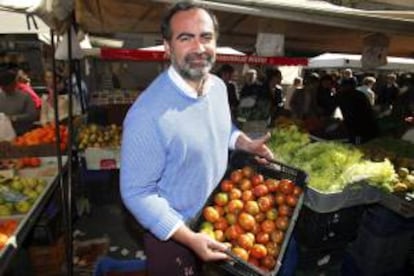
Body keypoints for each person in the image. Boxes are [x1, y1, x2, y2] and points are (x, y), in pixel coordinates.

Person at [120, 2, 273, 275]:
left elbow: (221, 127)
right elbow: (136, 192)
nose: (199, 48)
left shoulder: (217, 87)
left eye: (206, 37)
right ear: (167, 47)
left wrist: (243, 142)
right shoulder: (147, 114)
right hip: (174, 233)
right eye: (185, 38)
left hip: (219, 212)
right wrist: (189, 238)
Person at [334, 78, 379, 144]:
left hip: (358, 123)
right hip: (359, 123)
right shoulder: (358, 94)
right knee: (358, 141)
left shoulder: (344, 95)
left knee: (357, 142)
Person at [0, 69, 38, 135]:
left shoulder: (25, 97)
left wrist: (14, 118)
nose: (4, 89)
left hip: (22, 133)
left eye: (7, 86)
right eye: (2, 87)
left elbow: (33, 115)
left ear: (14, 84)